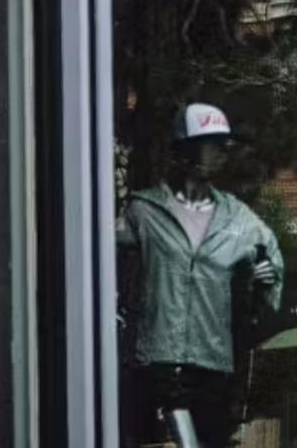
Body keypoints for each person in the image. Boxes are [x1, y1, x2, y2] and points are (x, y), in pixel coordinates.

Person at [117, 102, 283, 448]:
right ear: (185, 150)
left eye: (223, 144)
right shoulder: (144, 212)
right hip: (155, 364)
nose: (221, 152)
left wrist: (263, 283)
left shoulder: (239, 221)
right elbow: (105, 268)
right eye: (211, 143)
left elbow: (270, 281)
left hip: (212, 370)